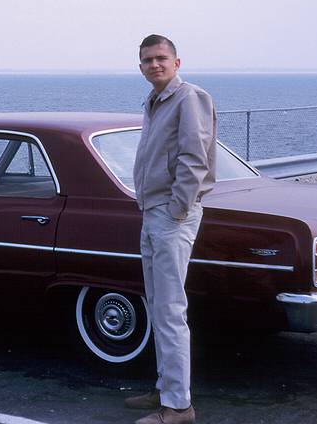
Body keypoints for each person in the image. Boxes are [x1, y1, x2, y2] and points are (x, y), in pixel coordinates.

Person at [125, 34, 217, 424]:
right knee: (157, 305)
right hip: (154, 211)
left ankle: (179, 407)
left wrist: (178, 209)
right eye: (146, 60)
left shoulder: (189, 97)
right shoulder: (155, 102)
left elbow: (195, 156)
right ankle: (167, 389)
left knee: (169, 310)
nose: (154, 65)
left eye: (160, 58)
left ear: (177, 62)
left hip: (170, 214)